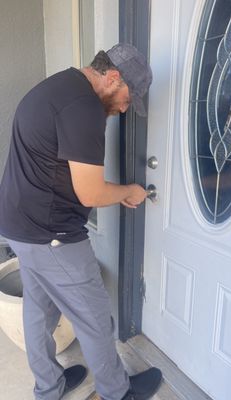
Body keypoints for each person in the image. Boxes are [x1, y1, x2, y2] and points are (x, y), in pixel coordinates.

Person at [0, 43, 162, 400]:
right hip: (51, 234)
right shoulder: (84, 107)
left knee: (38, 309)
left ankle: (49, 388)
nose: (123, 109)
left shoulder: (58, 86)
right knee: (95, 320)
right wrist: (127, 192)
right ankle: (118, 394)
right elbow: (90, 194)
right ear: (113, 77)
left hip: (18, 226)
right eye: (126, 99)